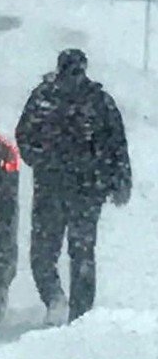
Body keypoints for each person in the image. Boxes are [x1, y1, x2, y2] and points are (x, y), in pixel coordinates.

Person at [15, 48, 131, 325]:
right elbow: (24, 136)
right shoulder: (58, 99)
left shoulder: (57, 99)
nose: (73, 77)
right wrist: (43, 161)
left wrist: (120, 179)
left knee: (67, 253)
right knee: (64, 253)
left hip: (76, 189)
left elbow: (116, 142)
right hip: (71, 188)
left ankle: (77, 315)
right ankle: (62, 305)